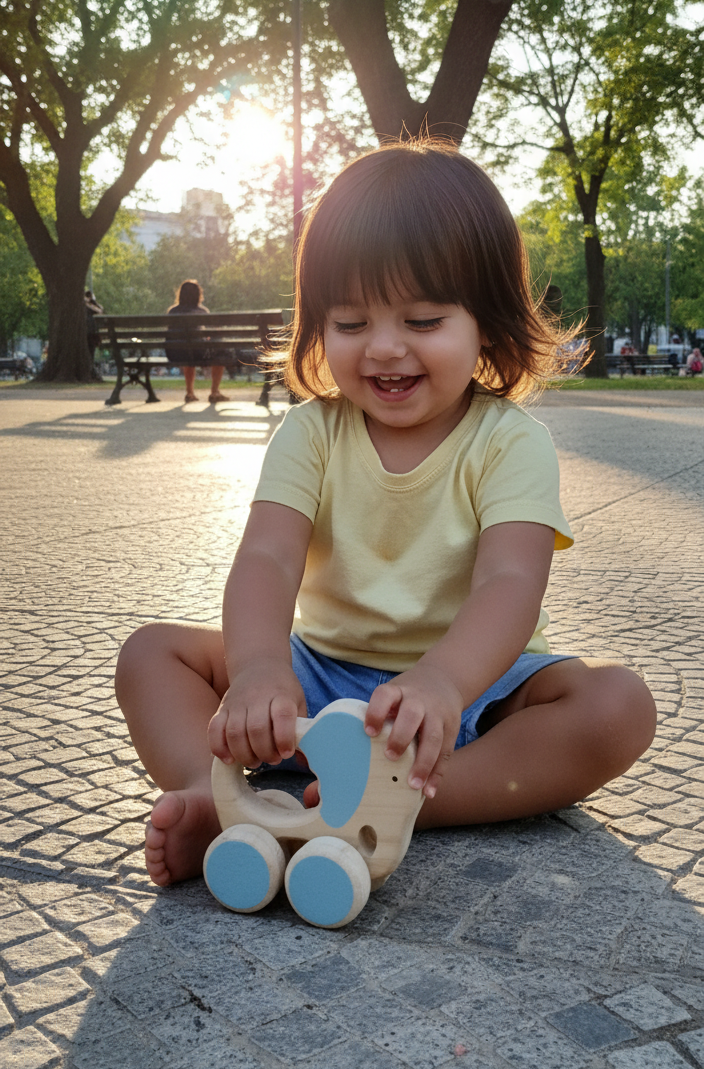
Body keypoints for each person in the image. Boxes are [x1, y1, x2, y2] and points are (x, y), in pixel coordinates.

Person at [115, 141, 656, 889]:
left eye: (424, 318)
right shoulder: (310, 431)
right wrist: (261, 671)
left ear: (488, 327)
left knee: (617, 705)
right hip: (313, 683)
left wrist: (442, 681)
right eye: (351, 321)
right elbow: (268, 557)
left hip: (464, 698)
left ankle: (409, 803)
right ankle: (215, 797)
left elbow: (510, 581)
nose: (386, 347)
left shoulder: (509, 442)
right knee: (151, 653)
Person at [165, 280, 229, 403]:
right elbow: (213, 333)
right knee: (221, 353)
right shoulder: (202, 311)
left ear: (181, 294)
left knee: (187, 350)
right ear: (198, 295)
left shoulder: (172, 311)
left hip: (175, 353)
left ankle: (189, 393)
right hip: (198, 352)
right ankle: (214, 392)